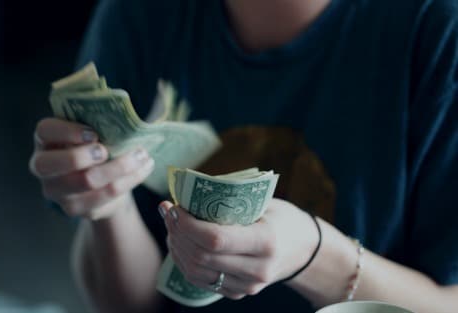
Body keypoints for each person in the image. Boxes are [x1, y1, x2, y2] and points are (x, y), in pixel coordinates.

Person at [29, 0, 458, 312]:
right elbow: (131, 307)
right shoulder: (139, 14)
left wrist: (315, 256)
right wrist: (107, 206)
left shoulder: (438, 28)